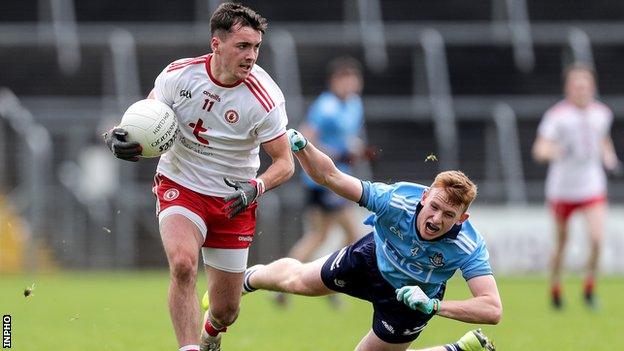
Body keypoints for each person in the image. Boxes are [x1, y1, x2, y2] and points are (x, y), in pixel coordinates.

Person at [103, 3, 294, 351]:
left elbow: (285, 163)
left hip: (234, 199)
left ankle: (211, 332)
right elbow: (146, 118)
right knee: (183, 265)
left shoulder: (265, 99)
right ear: (216, 44)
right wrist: (121, 137)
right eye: (242, 46)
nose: (251, 56)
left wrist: (256, 187)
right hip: (181, 184)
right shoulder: (178, 75)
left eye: (256, 47)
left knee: (227, 311)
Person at [242, 129, 502, 351]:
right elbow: (332, 177)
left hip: (412, 299)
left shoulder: (468, 245)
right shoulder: (396, 201)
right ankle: (247, 279)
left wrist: (433, 305)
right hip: (370, 260)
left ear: (462, 219)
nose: (436, 218)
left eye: (448, 215)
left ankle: (457, 348)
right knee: (296, 281)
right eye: (434, 206)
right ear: (424, 197)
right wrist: (303, 148)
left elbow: (492, 309)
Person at [277, 56, 366, 307]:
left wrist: (354, 149)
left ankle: (289, 281)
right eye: (346, 79)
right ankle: (329, 278)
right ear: (335, 81)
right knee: (351, 235)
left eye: (353, 79)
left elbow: (347, 138)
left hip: (338, 178)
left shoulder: (354, 104)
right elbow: (305, 138)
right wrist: (335, 154)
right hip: (324, 180)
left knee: (320, 234)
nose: (351, 84)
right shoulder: (325, 106)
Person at [532, 62, 621, 310]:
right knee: (562, 242)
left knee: (596, 239)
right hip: (563, 188)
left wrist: (609, 158)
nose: (581, 89)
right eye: (576, 84)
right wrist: (554, 151)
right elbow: (540, 149)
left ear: (592, 87)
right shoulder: (556, 116)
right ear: (568, 88)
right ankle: (556, 288)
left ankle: (589, 288)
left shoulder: (602, 113)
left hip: (591, 186)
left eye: (586, 84)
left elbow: (603, 139)